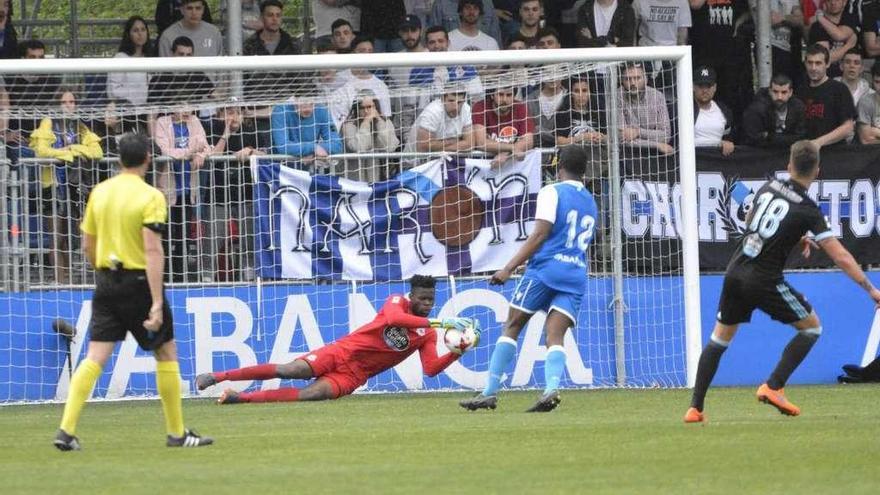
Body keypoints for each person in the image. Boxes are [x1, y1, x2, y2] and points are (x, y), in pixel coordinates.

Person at [683, 140, 880, 424]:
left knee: (719, 339)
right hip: (763, 280)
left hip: (735, 273)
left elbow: (752, 219)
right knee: (812, 328)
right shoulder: (808, 209)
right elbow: (841, 256)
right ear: (818, 172)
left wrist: (795, 235)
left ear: (789, 166)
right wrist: (870, 288)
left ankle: (695, 408)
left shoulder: (770, 186)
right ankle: (773, 386)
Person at [53, 133, 213, 450]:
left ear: (117, 160)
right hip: (139, 282)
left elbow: (87, 243)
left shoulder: (100, 192)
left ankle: (66, 430)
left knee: (95, 356)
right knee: (165, 352)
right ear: (148, 160)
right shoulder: (150, 196)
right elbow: (152, 250)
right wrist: (155, 302)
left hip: (106, 281)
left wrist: (102, 272)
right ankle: (176, 433)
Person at [460, 145, 598, 412]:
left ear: (559, 167)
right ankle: (550, 389)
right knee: (554, 335)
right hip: (576, 273)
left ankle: (489, 392)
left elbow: (539, 234)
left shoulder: (551, 191)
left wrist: (509, 267)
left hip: (546, 270)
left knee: (512, 324)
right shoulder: (591, 200)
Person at [194, 275, 479, 404]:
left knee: (312, 395)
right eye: (423, 299)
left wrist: (457, 351)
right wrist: (442, 321)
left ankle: (240, 398)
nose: (428, 304)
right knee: (290, 370)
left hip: (355, 375)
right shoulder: (396, 303)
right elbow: (393, 321)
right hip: (342, 352)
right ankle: (218, 376)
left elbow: (429, 369)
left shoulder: (426, 334)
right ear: (412, 296)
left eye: (432, 300)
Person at [153, 105, 211, 282]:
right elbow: (163, 150)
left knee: (183, 239)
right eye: (182, 105)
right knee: (165, 238)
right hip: (167, 190)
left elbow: (206, 147)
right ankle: (163, 279)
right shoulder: (162, 122)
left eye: (190, 106)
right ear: (172, 107)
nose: (187, 110)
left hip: (188, 190)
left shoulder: (194, 122)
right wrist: (191, 151)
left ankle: (179, 279)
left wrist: (202, 155)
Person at [797, 43, 855, 147]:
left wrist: (818, 142)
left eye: (818, 63)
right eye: (810, 63)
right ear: (805, 63)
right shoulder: (800, 91)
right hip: (806, 155)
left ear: (827, 64)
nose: (813, 68)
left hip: (834, 154)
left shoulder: (839, 89)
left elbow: (848, 127)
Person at [341, 90, 400, 182]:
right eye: (362, 108)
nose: (366, 111)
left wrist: (379, 122)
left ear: (375, 107)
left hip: (380, 177)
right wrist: (366, 123)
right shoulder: (348, 125)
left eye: (369, 107)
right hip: (355, 179)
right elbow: (359, 147)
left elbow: (390, 147)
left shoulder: (385, 122)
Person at [617, 62, 673, 154]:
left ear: (646, 79)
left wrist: (637, 132)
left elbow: (665, 135)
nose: (633, 83)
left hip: (655, 154)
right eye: (628, 79)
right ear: (622, 81)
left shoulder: (657, 96)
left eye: (637, 78)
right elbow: (622, 138)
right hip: (628, 153)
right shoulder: (617, 97)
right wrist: (658, 145)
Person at [741, 73, 807, 148]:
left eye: (784, 92)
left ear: (790, 92)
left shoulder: (798, 107)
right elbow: (753, 138)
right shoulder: (757, 109)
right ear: (770, 91)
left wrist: (769, 136)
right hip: (760, 154)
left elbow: (800, 137)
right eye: (775, 92)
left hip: (788, 152)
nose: (779, 97)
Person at [108, 16, 154, 109]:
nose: (140, 34)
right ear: (128, 34)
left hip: (148, 110)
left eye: (143, 30)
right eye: (135, 30)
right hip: (126, 110)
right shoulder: (120, 58)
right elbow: (113, 91)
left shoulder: (150, 58)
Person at [692, 66, 735, 156]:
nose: (705, 90)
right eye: (700, 86)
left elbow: (729, 136)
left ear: (715, 87)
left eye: (708, 86)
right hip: (691, 161)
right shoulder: (684, 110)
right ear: (693, 87)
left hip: (716, 162)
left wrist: (727, 142)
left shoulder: (724, 111)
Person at [157, 0, 223, 58]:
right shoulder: (168, 36)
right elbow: (165, 70)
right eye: (189, 8)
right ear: (182, 10)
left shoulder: (214, 32)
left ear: (203, 10)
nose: (194, 13)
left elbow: (221, 67)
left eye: (198, 8)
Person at [431, 0, 502, 47]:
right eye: (467, 8)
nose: (471, 12)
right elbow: (432, 37)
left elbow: (495, 34)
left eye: (475, 8)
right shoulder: (441, 3)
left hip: (486, 66)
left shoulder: (487, 3)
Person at [856, 62, 880, 144]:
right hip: (871, 153)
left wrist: (876, 132)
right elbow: (865, 140)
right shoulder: (865, 102)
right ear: (872, 81)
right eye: (877, 82)